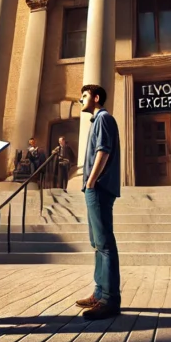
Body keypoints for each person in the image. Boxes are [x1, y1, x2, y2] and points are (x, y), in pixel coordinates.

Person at [74, 84, 121, 320]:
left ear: (96, 97)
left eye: (84, 95)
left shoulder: (103, 118)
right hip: (95, 188)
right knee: (97, 243)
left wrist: (91, 181)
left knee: (104, 244)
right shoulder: (97, 121)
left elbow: (104, 151)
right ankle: (99, 292)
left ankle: (109, 300)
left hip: (100, 188)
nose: (80, 99)